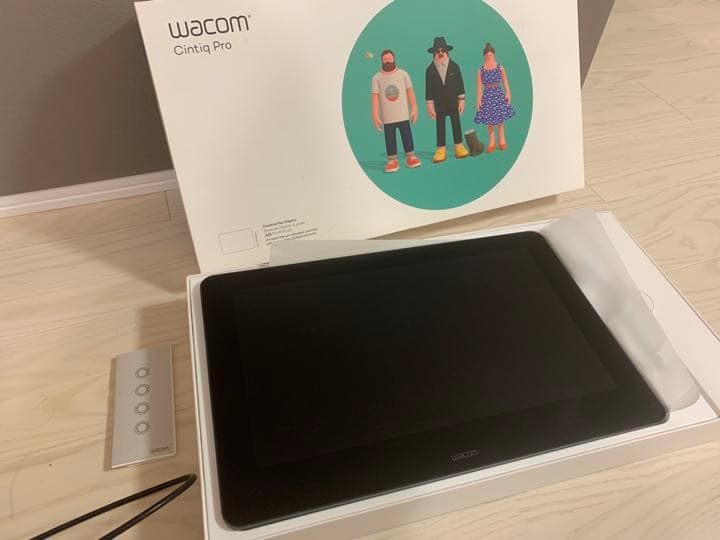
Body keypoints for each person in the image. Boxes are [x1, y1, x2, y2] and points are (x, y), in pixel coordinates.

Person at [371, 49, 422, 173]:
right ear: (381, 61)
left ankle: (411, 156)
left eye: (389, 58)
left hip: (403, 114)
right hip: (388, 117)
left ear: (394, 59)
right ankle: (392, 160)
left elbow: (410, 91)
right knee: (390, 138)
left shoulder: (403, 74)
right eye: (385, 59)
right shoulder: (376, 78)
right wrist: (375, 115)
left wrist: (414, 107)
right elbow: (375, 97)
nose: (388, 61)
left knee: (407, 135)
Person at [425, 36, 470, 164]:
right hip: (439, 103)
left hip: (453, 101)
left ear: (447, 52)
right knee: (440, 124)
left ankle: (459, 145)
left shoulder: (454, 66)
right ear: (434, 53)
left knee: (456, 122)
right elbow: (428, 89)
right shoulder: (429, 70)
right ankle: (441, 149)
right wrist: (429, 103)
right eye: (437, 51)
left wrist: (462, 99)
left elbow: (460, 84)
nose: (440, 53)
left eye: (443, 51)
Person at [474, 42, 515, 153]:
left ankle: (502, 140)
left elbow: (505, 81)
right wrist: (478, 98)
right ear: (484, 56)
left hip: (498, 94)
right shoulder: (480, 71)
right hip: (487, 96)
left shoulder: (500, 68)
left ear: (494, 55)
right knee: (489, 121)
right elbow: (479, 87)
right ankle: (492, 141)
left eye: (491, 54)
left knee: (500, 119)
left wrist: (508, 92)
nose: (489, 56)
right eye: (487, 54)